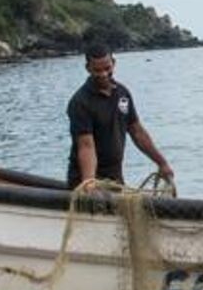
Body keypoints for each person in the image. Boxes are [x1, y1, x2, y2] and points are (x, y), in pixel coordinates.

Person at [66, 43, 176, 191]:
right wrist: (89, 182)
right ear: (88, 68)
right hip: (85, 179)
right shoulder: (80, 102)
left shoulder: (122, 93)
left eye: (107, 68)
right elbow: (86, 145)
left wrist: (162, 163)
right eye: (97, 70)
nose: (103, 74)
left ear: (114, 63)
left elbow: (137, 132)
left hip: (115, 179)